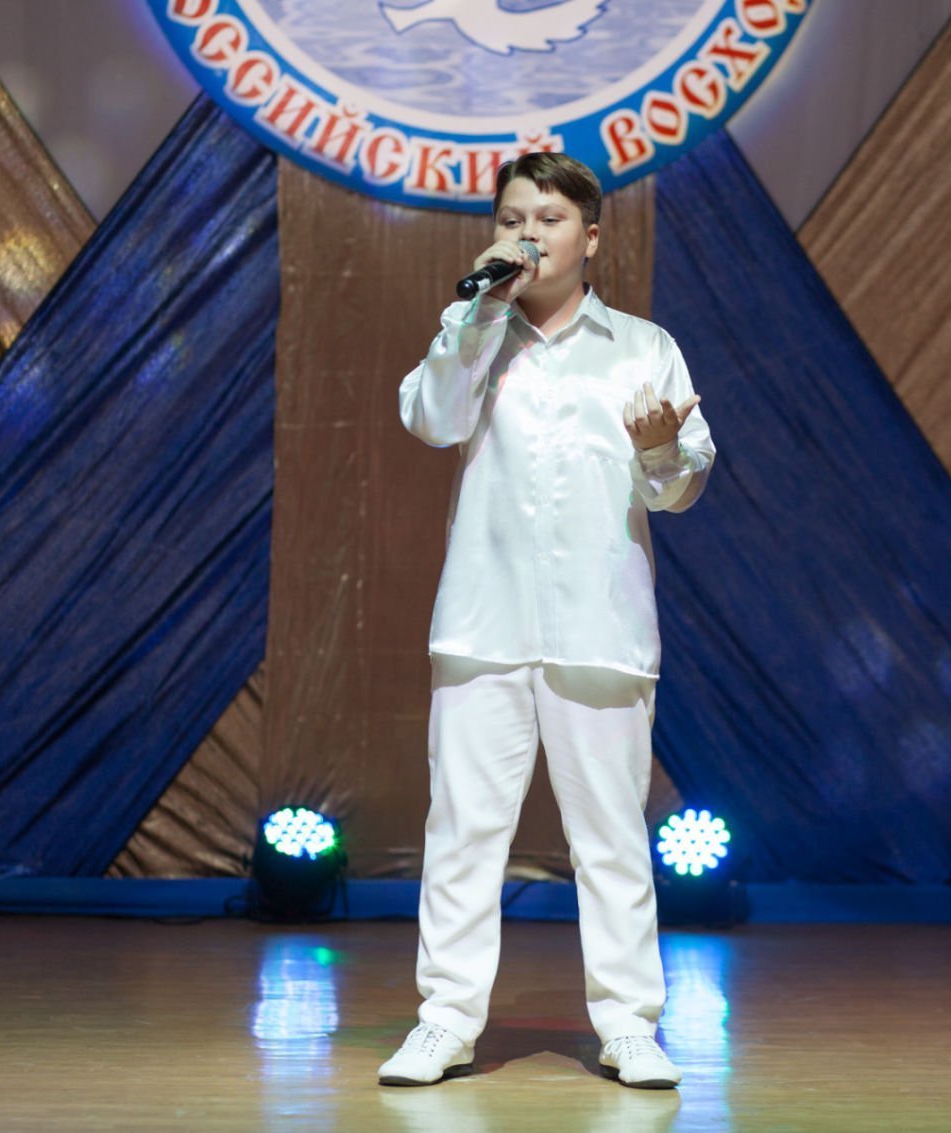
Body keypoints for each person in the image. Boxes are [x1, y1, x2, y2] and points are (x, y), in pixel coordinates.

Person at [379, 152, 715, 1091]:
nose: (528, 234)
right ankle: (444, 1020)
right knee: (462, 832)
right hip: (482, 623)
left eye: (549, 219)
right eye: (512, 218)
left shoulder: (643, 346)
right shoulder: (473, 328)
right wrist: (476, 317)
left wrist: (661, 452)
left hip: (601, 630)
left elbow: (681, 485)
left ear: (590, 237)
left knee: (611, 838)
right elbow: (432, 419)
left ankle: (630, 1024)